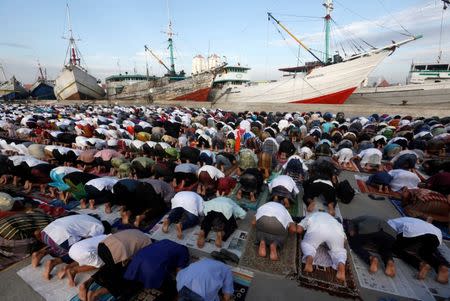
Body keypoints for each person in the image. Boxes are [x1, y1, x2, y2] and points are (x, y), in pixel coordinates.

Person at [79, 229, 152, 301]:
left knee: (109, 266)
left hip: (104, 246)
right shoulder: (148, 244)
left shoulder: (136, 232)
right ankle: (96, 294)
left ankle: (87, 283)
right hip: (118, 250)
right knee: (127, 278)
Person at [32, 214, 108, 280]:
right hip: (62, 235)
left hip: (47, 233)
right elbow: (88, 242)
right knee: (78, 252)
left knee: (58, 246)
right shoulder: (100, 227)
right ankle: (54, 262)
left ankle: (41, 253)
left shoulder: (87, 217)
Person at [388, 217, 448, 283]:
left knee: (396, 248)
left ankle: (419, 264)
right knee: (425, 253)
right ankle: (440, 266)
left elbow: (392, 236)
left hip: (414, 231)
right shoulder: (421, 222)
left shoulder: (391, 222)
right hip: (437, 235)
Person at [123, 239, 189, 299]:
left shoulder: (165, 241)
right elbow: (179, 274)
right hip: (152, 268)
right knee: (172, 289)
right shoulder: (184, 251)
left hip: (137, 259)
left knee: (135, 282)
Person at [297, 212, 347, 282]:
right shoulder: (337, 223)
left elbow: (299, 229)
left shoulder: (312, 215)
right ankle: (341, 264)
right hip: (336, 234)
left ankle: (309, 258)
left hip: (318, 230)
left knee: (308, 244)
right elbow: (344, 240)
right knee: (338, 251)